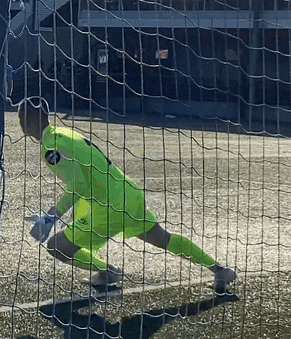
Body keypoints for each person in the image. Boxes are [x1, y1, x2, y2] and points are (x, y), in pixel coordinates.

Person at [17, 99, 237, 294]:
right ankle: (219, 270)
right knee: (162, 238)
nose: (18, 122)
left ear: (30, 121)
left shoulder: (50, 148)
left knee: (57, 246)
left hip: (110, 206)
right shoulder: (64, 133)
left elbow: (80, 186)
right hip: (128, 193)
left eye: (20, 117)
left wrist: (50, 218)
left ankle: (108, 272)